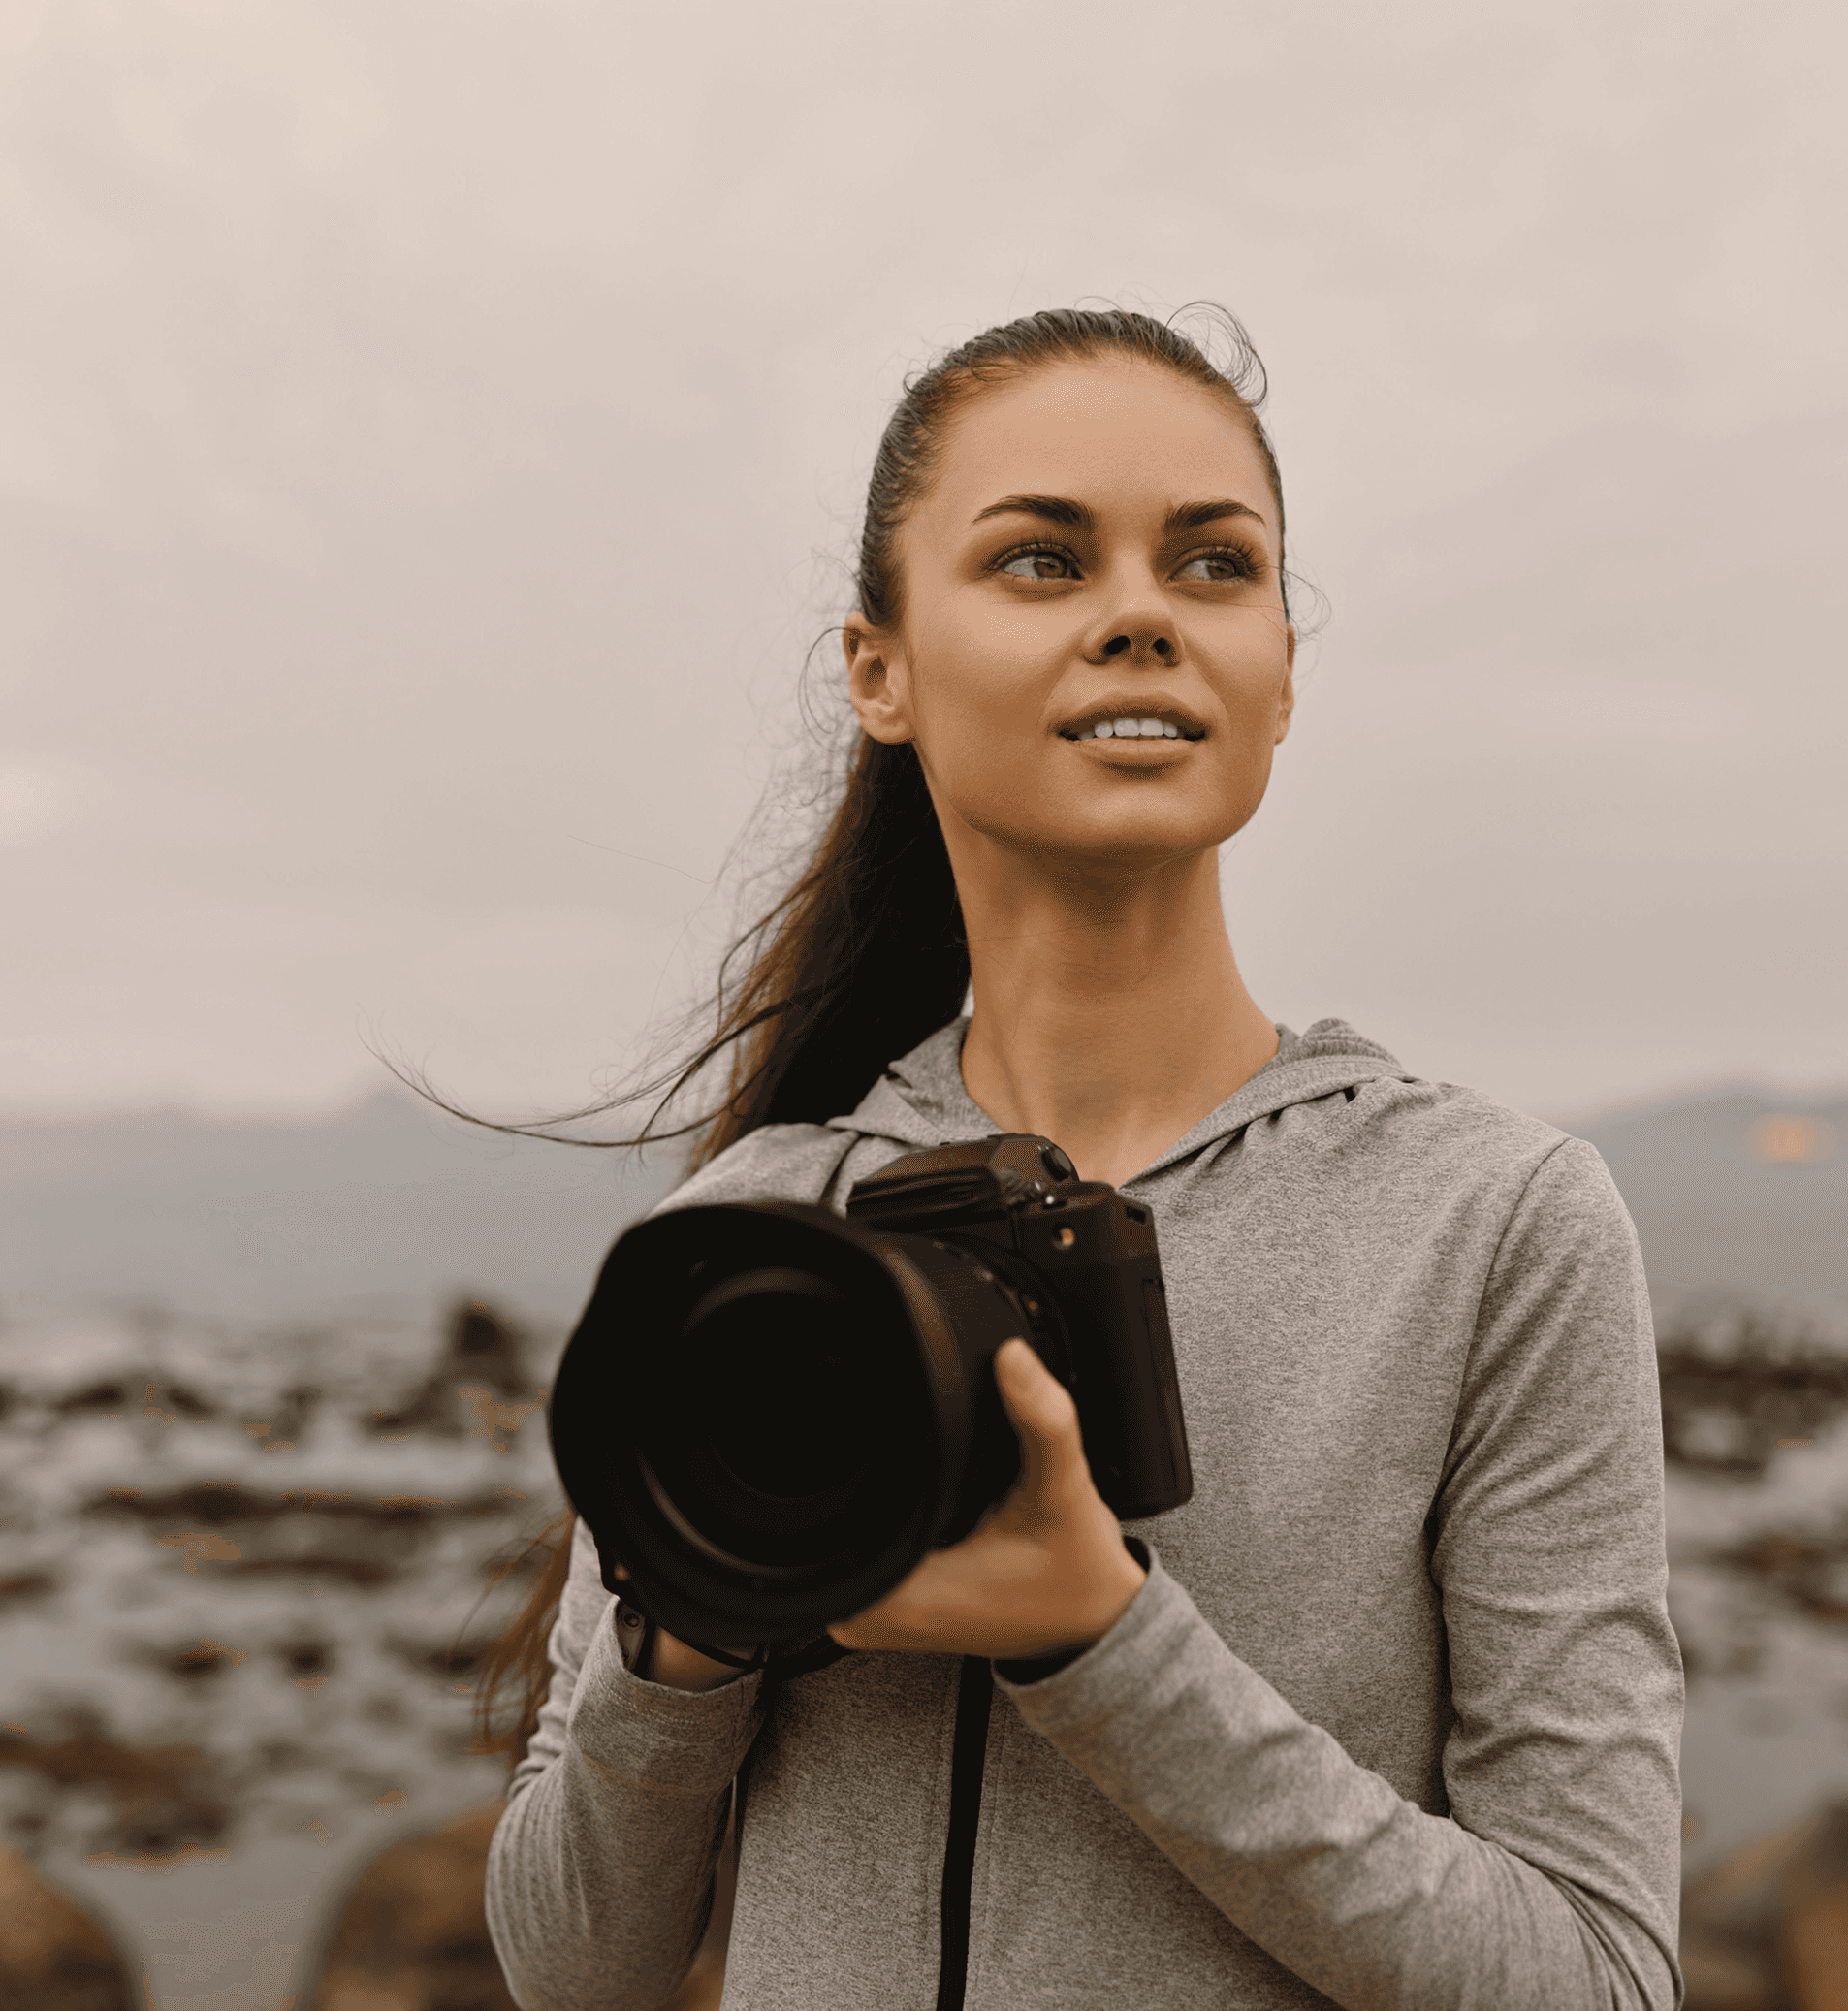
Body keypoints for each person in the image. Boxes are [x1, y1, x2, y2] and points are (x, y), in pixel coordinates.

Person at [472, 306, 1683, 2010]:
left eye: (1212, 565)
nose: (1138, 614)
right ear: (877, 670)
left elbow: (1601, 1982)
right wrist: (688, 1628)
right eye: (1041, 561)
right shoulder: (742, 1240)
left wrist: (1097, 1638)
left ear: (1279, 671)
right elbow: (566, 1967)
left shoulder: (1489, 1226)